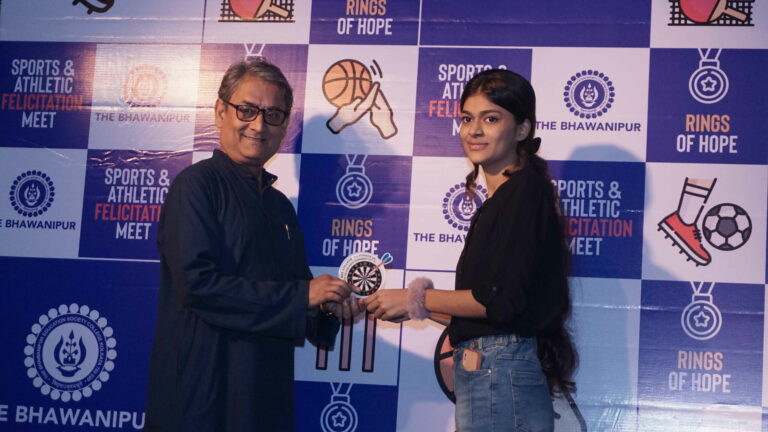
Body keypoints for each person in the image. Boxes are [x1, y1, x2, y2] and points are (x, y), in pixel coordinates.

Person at [145, 59, 360, 432]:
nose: (258, 125)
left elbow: (296, 291)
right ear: (221, 112)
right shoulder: (196, 186)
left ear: (284, 128)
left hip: (265, 391)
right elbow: (197, 285)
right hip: (204, 390)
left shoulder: (280, 207)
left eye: (273, 115)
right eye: (246, 110)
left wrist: (327, 308)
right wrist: (303, 296)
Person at [364, 69, 578, 432]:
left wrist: (416, 298)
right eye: (467, 118)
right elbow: (499, 312)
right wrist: (409, 306)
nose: (474, 130)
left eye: (491, 119)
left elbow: (498, 302)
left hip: (498, 377)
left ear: (522, 130)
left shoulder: (523, 191)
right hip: (496, 377)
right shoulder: (505, 198)